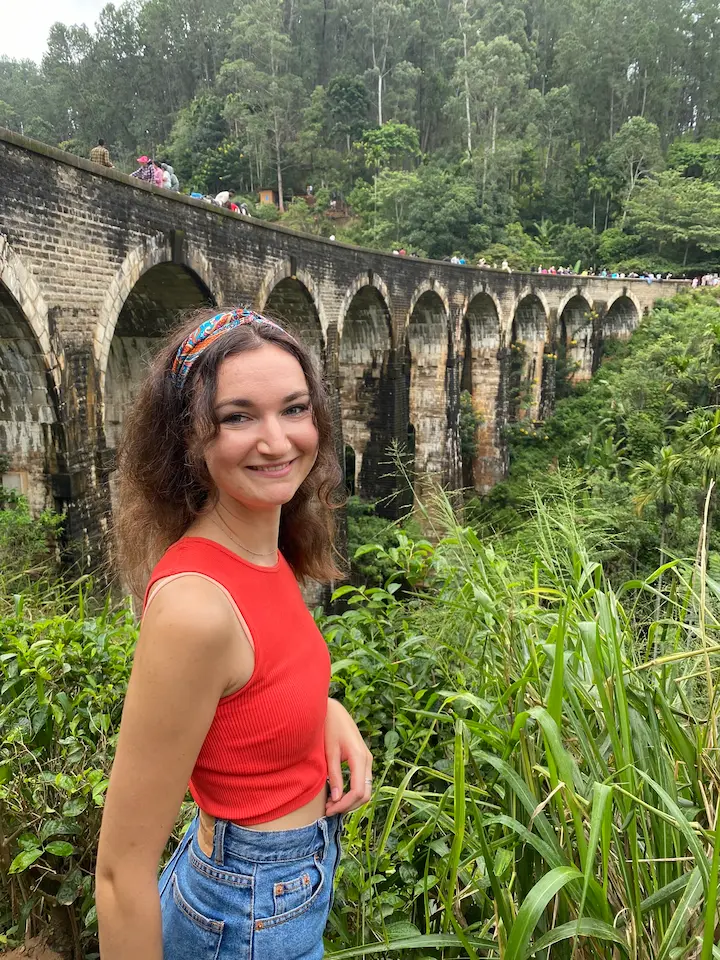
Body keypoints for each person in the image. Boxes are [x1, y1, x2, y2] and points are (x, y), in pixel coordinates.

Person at [95, 307, 373, 960]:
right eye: (238, 416)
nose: (277, 441)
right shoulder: (196, 608)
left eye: (294, 409)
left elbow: (252, 685)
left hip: (278, 892)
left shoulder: (263, 545)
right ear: (189, 438)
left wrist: (322, 711)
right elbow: (118, 874)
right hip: (246, 916)